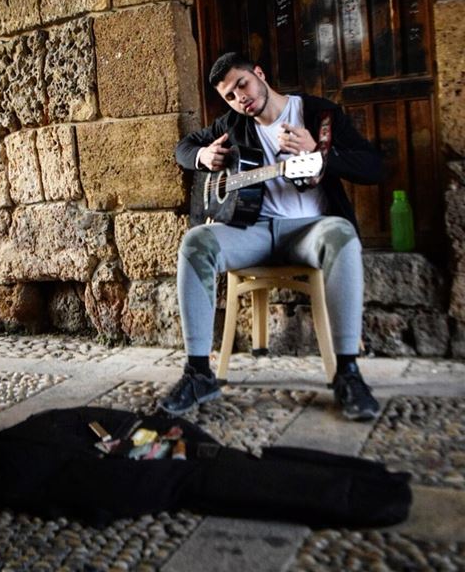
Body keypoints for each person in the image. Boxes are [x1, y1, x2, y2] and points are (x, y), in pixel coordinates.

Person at [158, 52, 384, 421]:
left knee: (342, 235)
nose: (239, 98)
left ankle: (348, 373)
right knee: (195, 242)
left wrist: (319, 154)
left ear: (259, 73)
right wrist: (202, 156)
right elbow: (181, 149)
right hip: (254, 232)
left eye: (242, 85)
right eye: (229, 96)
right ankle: (198, 372)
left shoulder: (319, 115)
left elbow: (374, 167)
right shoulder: (233, 123)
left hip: (310, 229)